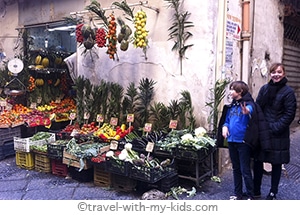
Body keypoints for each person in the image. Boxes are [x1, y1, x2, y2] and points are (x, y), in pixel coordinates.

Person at [253, 62, 297, 200]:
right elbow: (257, 107)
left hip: (278, 133)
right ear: (270, 74)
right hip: (263, 132)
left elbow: (289, 114)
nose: (276, 75)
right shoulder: (264, 89)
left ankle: (273, 191)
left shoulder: (288, 92)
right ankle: (256, 190)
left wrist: (275, 127)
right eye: (273, 72)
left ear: (283, 74)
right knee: (258, 161)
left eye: (279, 72)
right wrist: (260, 126)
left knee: (276, 163)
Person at [221, 81, 258, 200]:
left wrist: (247, 111)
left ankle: (250, 195)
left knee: (245, 169)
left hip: (243, 142)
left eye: (232, 89)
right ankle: (238, 193)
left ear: (240, 91)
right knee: (236, 168)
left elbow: (250, 109)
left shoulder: (248, 103)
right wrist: (224, 127)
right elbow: (227, 119)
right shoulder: (232, 105)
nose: (230, 92)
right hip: (232, 141)